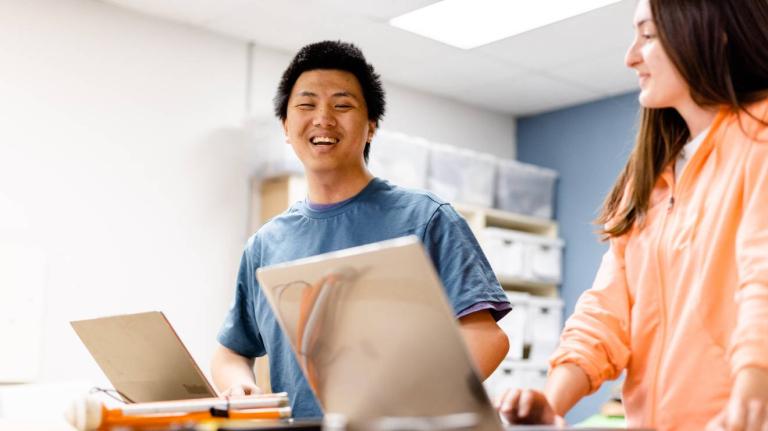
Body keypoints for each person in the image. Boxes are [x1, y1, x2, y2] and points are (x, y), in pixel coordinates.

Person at [496, 0, 768, 429]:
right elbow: (607, 311)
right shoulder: (651, 179)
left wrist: (754, 387)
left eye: (647, 35)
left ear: (711, 33)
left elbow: (763, 278)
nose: (630, 56)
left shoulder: (760, 143)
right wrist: (553, 401)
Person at [211, 40, 511, 419]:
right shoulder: (266, 245)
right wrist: (237, 384)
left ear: (371, 127)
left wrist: (404, 407)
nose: (323, 118)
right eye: (306, 105)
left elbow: (485, 337)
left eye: (342, 105)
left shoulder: (426, 218)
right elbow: (232, 351)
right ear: (286, 127)